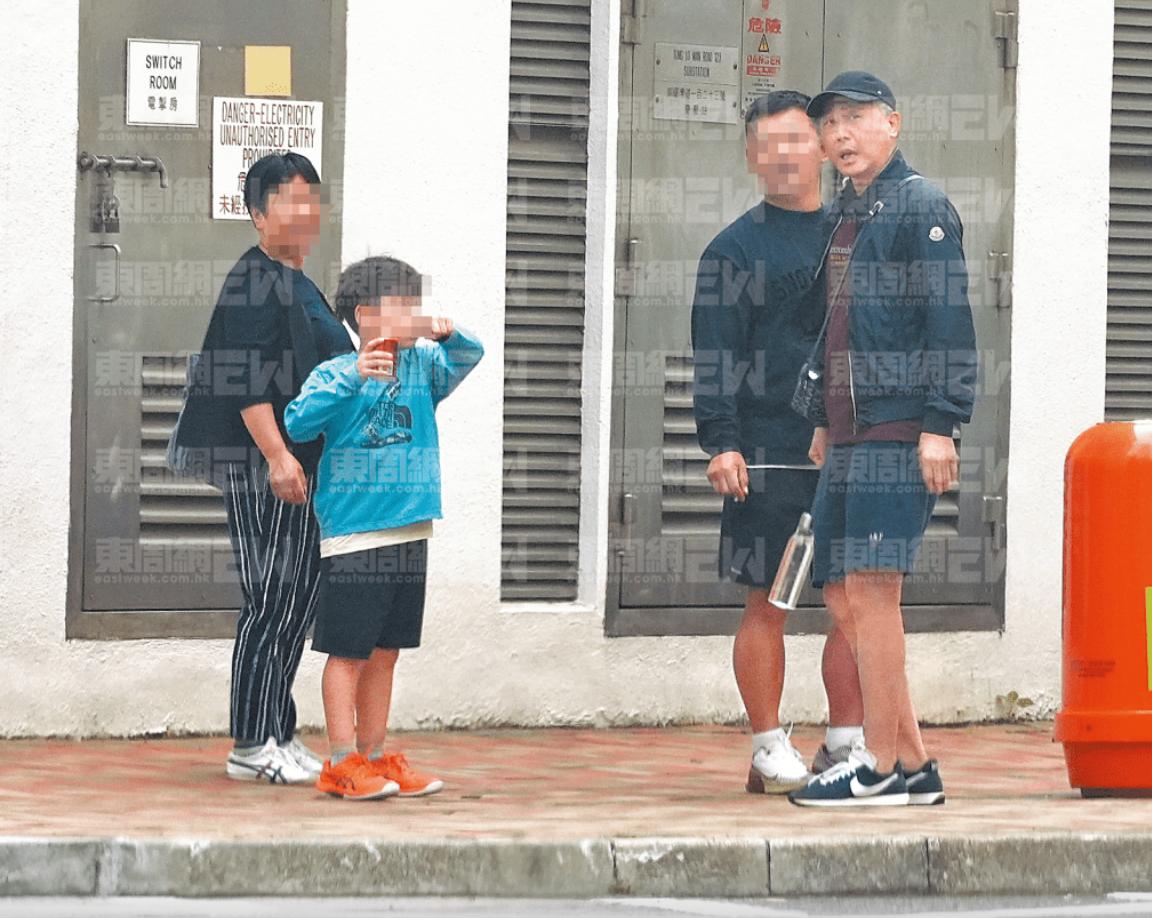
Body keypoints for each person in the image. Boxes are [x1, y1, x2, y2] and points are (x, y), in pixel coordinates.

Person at [788, 72, 977, 807]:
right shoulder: (849, 212)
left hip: (899, 429)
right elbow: (834, 324)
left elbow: (950, 322)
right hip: (848, 432)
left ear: (892, 124)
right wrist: (821, 418)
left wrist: (941, 423)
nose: (841, 134)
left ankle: (880, 766)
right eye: (830, 123)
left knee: (872, 590)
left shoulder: (920, 206)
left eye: (856, 118)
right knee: (840, 591)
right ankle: (915, 765)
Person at [691, 90, 865, 795]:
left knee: (857, 601)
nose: (785, 154)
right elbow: (715, 357)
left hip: (852, 449)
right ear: (751, 158)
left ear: (821, 146)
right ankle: (767, 746)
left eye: (797, 139)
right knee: (770, 603)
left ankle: (847, 741)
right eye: (769, 145)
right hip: (769, 453)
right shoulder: (733, 250)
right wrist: (721, 442)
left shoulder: (858, 229)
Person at [174, 152, 353, 784]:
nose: (305, 214)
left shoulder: (297, 280)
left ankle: (279, 729)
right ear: (257, 214)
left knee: (297, 599)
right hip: (263, 465)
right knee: (272, 597)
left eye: (312, 202)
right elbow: (244, 381)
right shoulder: (253, 278)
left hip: (303, 467)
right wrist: (278, 456)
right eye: (290, 202)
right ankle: (250, 745)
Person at [284, 256, 484, 800]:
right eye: (402, 304)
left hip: (411, 530)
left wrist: (448, 332)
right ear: (366, 315)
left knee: (386, 651)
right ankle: (341, 761)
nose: (414, 312)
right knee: (347, 652)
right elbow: (298, 420)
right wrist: (354, 376)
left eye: (416, 303)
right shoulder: (336, 372)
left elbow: (471, 353)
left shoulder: (423, 365)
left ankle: (374, 758)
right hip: (356, 535)